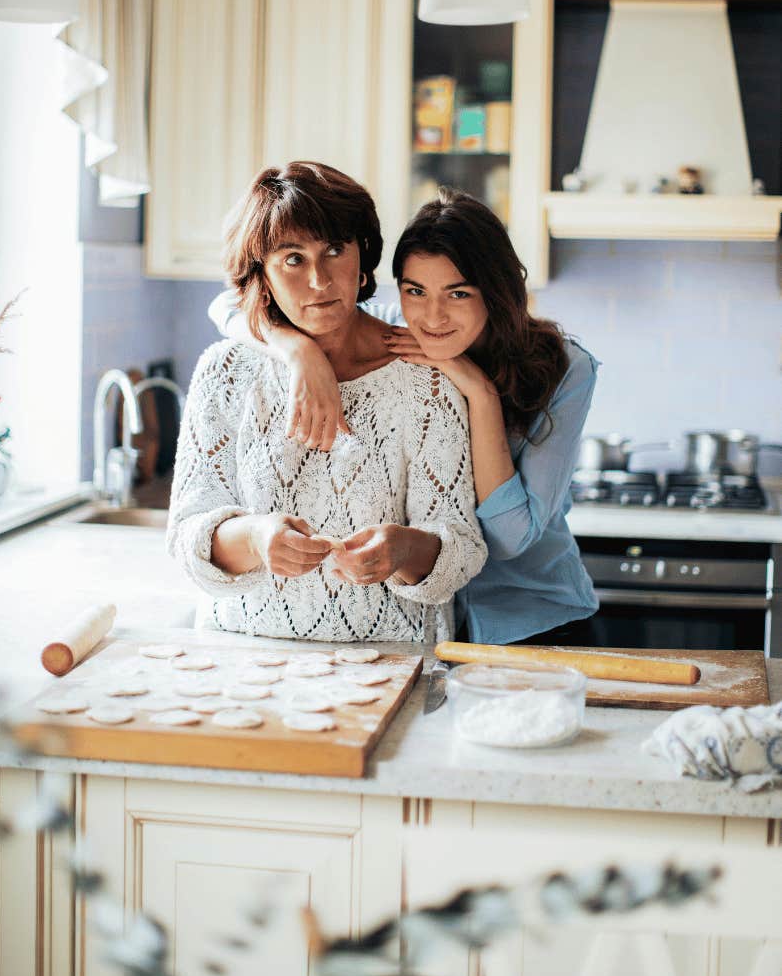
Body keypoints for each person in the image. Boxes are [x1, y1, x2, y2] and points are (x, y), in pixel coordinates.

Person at [211, 189, 599, 647]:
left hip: (530, 617)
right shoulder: (398, 330)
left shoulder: (564, 366)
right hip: (431, 622)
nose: (432, 316)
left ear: (496, 292)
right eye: (415, 290)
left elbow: (511, 538)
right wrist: (298, 351)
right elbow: (228, 307)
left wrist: (478, 391)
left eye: (458, 293)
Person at [168, 163, 487, 643]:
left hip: (393, 660)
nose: (319, 280)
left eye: (335, 250)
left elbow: (461, 548)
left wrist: (403, 550)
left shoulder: (427, 378)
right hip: (241, 661)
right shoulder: (225, 372)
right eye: (292, 259)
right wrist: (255, 537)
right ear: (263, 275)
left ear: (362, 260)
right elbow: (186, 538)